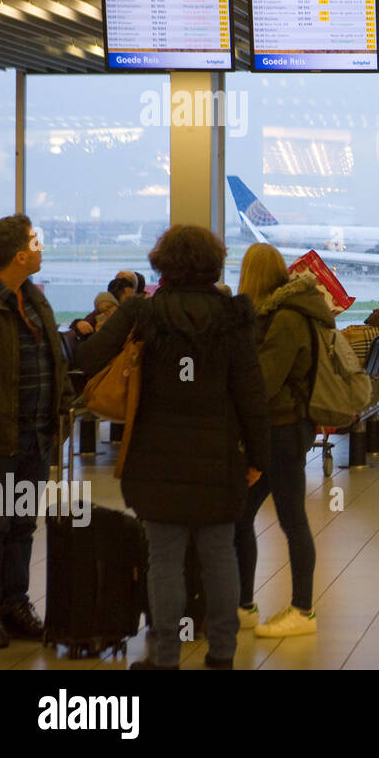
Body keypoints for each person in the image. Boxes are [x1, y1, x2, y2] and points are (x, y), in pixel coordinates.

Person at [78, 225, 268, 669]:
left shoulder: (143, 313)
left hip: (153, 454)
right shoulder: (233, 316)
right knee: (220, 553)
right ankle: (222, 653)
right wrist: (258, 457)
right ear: (213, 264)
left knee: (163, 558)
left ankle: (164, 657)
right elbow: (251, 394)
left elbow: (88, 358)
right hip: (219, 457)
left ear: (162, 264)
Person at [0, 214, 75, 649]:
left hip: (36, 437)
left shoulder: (34, 298)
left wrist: (62, 408)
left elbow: (53, 360)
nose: (41, 248)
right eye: (35, 243)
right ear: (18, 254)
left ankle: (14, 602)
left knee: (22, 524)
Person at [234, 242, 328, 638]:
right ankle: (244, 605)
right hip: (278, 430)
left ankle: (302, 610)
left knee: (291, 520)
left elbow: (265, 381)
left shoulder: (284, 318)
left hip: (282, 430)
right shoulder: (283, 313)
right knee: (240, 516)